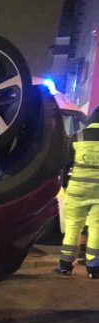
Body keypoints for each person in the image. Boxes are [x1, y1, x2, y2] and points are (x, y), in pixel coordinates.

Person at [54, 106, 99, 279]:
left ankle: (65, 265)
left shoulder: (78, 136)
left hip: (77, 190)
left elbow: (64, 165)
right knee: (96, 228)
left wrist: (65, 185)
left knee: (73, 225)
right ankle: (94, 269)